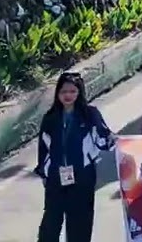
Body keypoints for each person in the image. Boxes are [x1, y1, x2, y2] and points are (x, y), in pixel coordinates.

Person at [36, 72, 115, 242]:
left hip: (83, 176)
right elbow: (43, 148)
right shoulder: (50, 118)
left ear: (79, 92)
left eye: (72, 91)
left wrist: (116, 142)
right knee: (50, 223)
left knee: (80, 222)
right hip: (56, 177)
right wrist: (44, 173)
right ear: (58, 93)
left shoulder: (90, 114)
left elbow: (103, 138)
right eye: (64, 91)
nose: (68, 95)